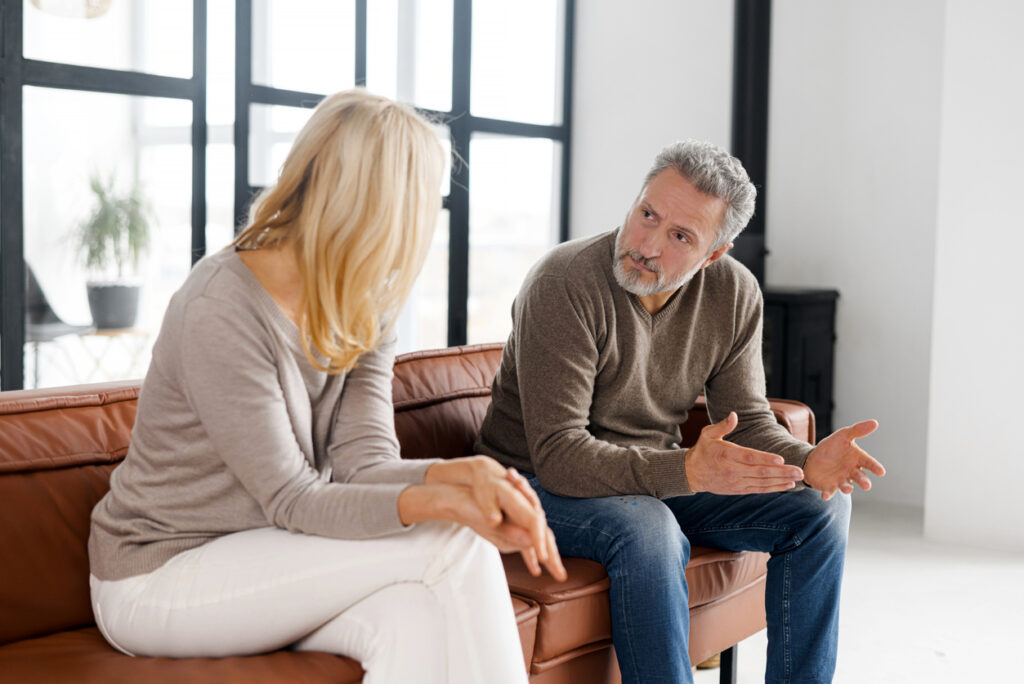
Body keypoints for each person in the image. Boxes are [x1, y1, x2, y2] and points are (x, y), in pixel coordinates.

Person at [88, 89, 565, 684]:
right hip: (157, 575)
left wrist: (459, 474)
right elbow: (295, 499)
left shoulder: (368, 301)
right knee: (453, 543)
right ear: (372, 204)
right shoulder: (220, 307)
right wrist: (444, 501)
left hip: (267, 553)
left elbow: (364, 464)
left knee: (413, 617)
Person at [475, 139, 886, 684]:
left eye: (680, 237)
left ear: (714, 253)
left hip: (650, 475)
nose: (646, 244)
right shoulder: (563, 283)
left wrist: (807, 462)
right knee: (649, 524)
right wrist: (684, 470)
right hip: (533, 481)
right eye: (647, 214)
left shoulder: (733, 293)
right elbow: (557, 454)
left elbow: (751, 421)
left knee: (821, 509)